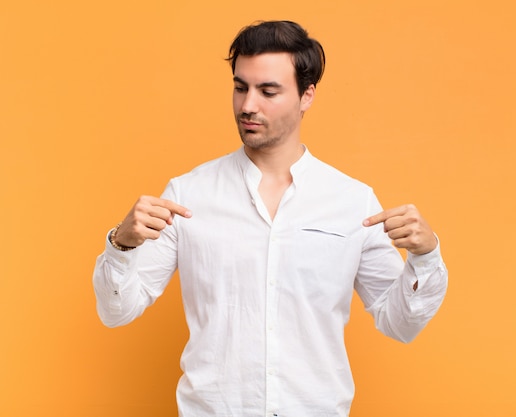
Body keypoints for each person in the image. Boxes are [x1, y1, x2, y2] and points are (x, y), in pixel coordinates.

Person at [93, 20, 448, 416]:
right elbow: (116, 311)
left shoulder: (352, 201)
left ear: (307, 95)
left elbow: (399, 324)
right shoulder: (188, 195)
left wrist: (425, 257)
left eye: (268, 91)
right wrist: (121, 245)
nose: (248, 105)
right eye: (240, 87)